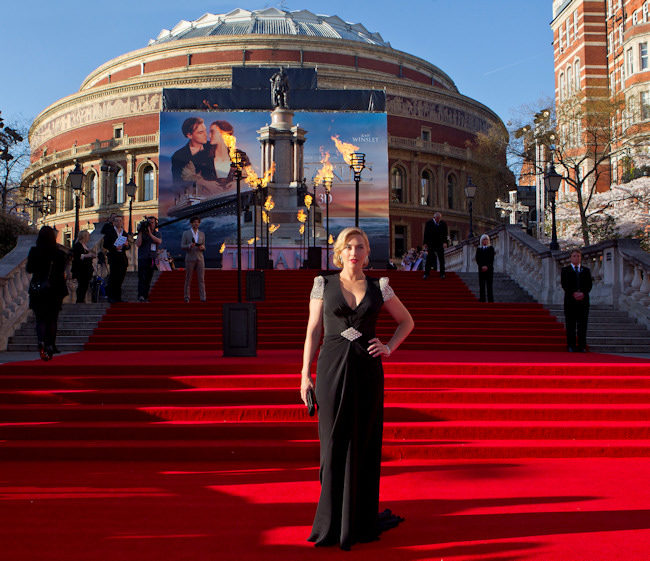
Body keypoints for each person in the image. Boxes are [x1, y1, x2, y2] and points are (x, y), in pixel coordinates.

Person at [300, 227, 414, 550]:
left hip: (367, 372)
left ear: (367, 252)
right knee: (332, 447)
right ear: (340, 251)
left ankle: (360, 519)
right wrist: (303, 375)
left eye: (360, 247)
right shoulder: (324, 284)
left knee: (363, 444)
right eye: (348, 247)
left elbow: (407, 322)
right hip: (331, 370)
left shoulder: (381, 287)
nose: (354, 252)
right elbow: (313, 331)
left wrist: (389, 347)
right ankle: (330, 522)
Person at [26, 226, 68, 360]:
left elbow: (29, 269)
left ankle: (41, 341)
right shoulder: (59, 253)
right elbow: (63, 272)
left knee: (40, 319)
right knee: (52, 319)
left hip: (38, 288)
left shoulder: (34, 251)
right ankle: (51, 344)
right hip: (55, 290)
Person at [561, 248, 593, 352]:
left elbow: (589, 285)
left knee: (582, 324)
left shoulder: (586, 270)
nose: (576, 258)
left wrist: (583, 293)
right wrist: (573, 293)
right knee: (570, 325)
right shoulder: (565, 270)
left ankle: (582, 346)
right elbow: (564, 284)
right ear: (570, 258)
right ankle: (571, 345)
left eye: (578, 256)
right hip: (570, 301)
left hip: (583, 301)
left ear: (580, 258)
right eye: (574, 256)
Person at [171, 117, 215, 184]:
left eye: (205, 131)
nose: (206, 135)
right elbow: (177, 184)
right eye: (201, 132)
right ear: (189, 135)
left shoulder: (214, 147)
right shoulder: (178, 157)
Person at [103, 215, 130, 303]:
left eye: (120, 221)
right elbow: (105, 245)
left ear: (122, 222)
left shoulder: (124, 233)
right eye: (117, 221)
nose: (119, 222)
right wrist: (115, 247)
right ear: (114, 222)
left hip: (122, 257)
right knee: (113, 277)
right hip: (114, 257)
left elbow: (128, 246)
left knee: (121, 277)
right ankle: (111, 297)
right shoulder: (110, 232)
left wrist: (127, 245)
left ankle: (118, 297)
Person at [136, 216, 162, 302]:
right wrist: (140, 232)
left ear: (155, 224)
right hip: (142, 258)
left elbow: (159, 241)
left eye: (152, 223)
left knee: (148, 278)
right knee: (142, 278)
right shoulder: (142, 233)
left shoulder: (156, 233)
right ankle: (141, 295)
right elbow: (138, 244)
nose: (150, 225)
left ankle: (145, 295)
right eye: (149, 223)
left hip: (151, 258)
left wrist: (150, 234)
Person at [181, 215, 206, 302]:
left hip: (200, 258)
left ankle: (203, 297)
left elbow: (204, 246)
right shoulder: (186, 233)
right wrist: (189, 246)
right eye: (194, 222)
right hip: (190, 257)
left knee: (201, 279)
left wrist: (202, 247)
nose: (196, 224)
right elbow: (182, 246)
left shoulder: (202, 234)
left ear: (199, 223)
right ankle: (187, 297)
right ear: (191, 223)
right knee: (188, 278)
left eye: (197, 222)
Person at [71, 230, 96, 303]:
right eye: (88, 236)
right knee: (81, 285)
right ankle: (79, 300)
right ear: (84, 237)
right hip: (80, 269)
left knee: (85, 285)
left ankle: (82, 299)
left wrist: (92, 256)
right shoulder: (77, 245)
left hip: (87, 269)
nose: (89, 238)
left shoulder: (86, 246)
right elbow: (77, 256)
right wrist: (88, 255)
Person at [422, 211, 449, 279]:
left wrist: (445, 242)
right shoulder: (429, 223)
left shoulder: (443, 224)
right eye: (437, 218)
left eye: (439, 218)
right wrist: (425, 243)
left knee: (441, 259)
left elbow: (445, 234)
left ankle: (442, 274)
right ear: (435, 217)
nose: (438, 220)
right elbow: (426, 233)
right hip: (431, 243)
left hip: (440, 244)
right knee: (429, 259)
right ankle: (426, 274)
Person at [475, 234, 495, 302]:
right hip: (481, 269)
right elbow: (477, 259)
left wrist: (487, 266)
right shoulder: (479, 249)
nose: (485, 241)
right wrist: (481, 266)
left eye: (486, 239)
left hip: (489, 269)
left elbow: (492, 259)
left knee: (489, 285)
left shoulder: (491, 248)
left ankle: (490, 299)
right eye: (484, 239)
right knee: (482, 285)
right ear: (481, 241)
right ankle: (482, 299)